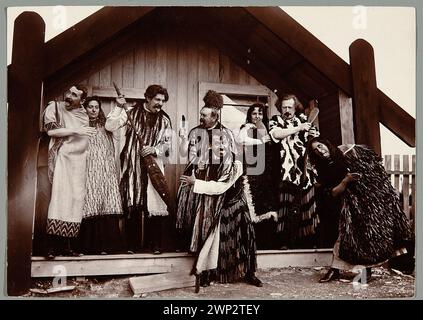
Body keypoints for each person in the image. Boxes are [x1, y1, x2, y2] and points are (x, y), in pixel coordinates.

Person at [307, 137, 412, 283]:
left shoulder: (347, 153)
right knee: (344, 238)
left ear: (327, 144)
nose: (320, 150)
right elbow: (332, 193)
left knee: (367, 236)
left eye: (320, 146)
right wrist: (346, 180)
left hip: (366, 203)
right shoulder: (323, 169)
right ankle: (335, 270)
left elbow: (371, 172)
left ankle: (365, 272)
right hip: (347, 207)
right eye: (315, 150)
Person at [180, 130, 262, 292]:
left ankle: (249, 272)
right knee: (218, 241)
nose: (222, 145)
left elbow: (221, 187)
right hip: (218, 208)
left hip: (236, 206)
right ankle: (211, 272)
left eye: (225, 141)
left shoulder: (235, 164)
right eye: (217, 142)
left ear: (231, 144)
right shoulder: (207, 160)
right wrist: (198, 171)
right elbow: (197, 169)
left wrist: (196, 183)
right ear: (211, 145)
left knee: (244, 240)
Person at [105, 84, 172, 254]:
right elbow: (110, 126)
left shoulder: (165, 120)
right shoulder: (131, 113)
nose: (160, 103)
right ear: (148, 98)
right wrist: (119, 107)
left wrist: (154, 150)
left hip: (153, 168)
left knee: (154, 206)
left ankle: (154, 245)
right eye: (157, 99)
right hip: (132, 167)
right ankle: (131, 246)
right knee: (133, 202)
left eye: (163, 100)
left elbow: (169, 148)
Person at [176, 90, 237, 252]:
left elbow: (228, 160)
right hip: (195, 175)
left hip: (213, 180)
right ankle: (191, 246)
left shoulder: (226, 134)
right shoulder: (195, 131)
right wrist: (183, 139)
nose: (201, 117)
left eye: (204, 115)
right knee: (189, 212)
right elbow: (184, 154)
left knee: (208, 214)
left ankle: (207, 249)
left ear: (214, 117)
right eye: (201, 114)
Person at [43, 84, 96, 258]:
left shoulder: (82, 114)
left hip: (78, 162)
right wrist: (75, 130)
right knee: (58, 200)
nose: (69, 96)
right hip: (61, 159)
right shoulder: (54, 107)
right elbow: (51, 131)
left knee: (74, 201)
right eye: (69, 92)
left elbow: (83, 140)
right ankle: (50, 248)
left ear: (82, 100)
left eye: (75, 95)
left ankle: (67, 247)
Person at [268, 94, 319, 249]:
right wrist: (299, 128)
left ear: (295, 107)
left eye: (290, 107)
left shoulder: (304, 119)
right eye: (284, 107)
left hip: (304, 172)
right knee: (287, 208)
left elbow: (315, 139)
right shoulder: (275, 121)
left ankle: (306, 243)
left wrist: (311, 132)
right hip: (284, 173)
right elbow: (276, 134)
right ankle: (285, 242)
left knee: (306, 208)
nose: (287, 110)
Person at [77, 96, 124, 255]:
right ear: (85, 108)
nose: (93, 109)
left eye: (96, 107)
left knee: (107, 203)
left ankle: (108, 247)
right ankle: (89, 248)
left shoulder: (106, 125)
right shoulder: (80, 125)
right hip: (88, 171)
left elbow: (115, 125)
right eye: (90, 106)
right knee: (90, 203)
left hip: (105, 171)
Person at [237, 103, 279, 249]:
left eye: (260, 113)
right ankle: (252, 243)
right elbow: (241, 140)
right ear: (249, 115)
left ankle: (267, 243)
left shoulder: (266, 128)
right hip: (252, 170)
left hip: (266, 171)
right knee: (253, 204)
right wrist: (260, 141)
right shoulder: (246, 128)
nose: (257, 116)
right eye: (254, 113)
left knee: (266, 204)